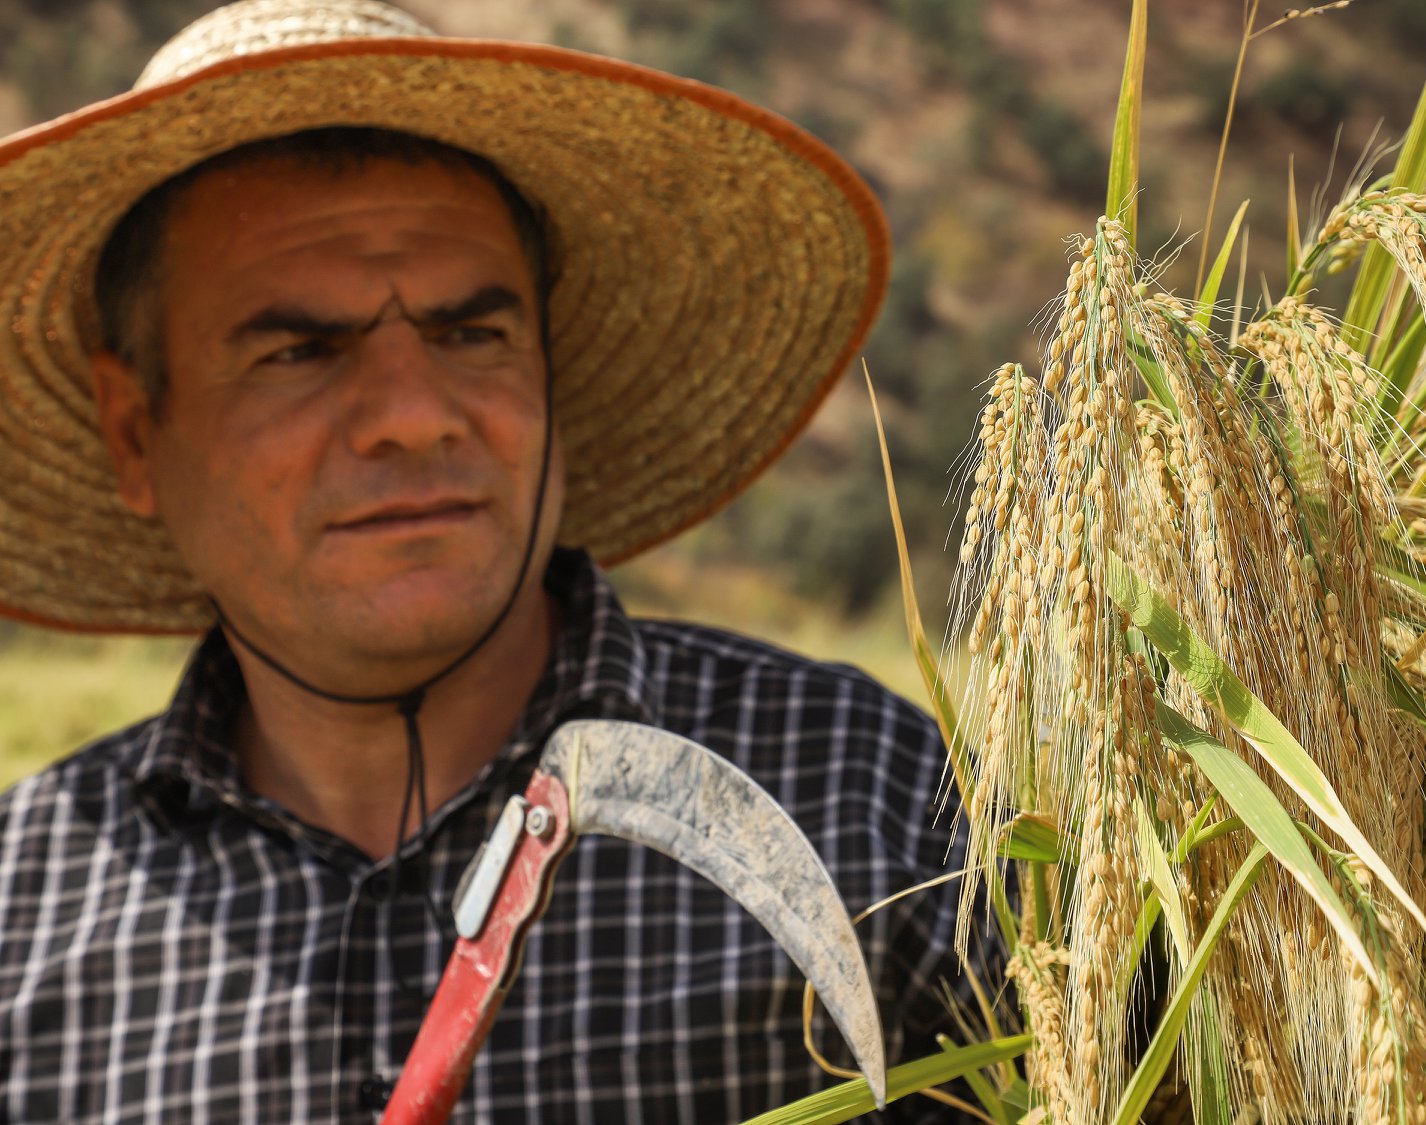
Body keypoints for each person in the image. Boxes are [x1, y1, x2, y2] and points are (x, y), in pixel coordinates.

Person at [0, 2, 972, 1120]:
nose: (413, 415)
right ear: (135, 435)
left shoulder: (877, 809)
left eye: (472, 334)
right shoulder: (23, 916)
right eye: (298, 350)